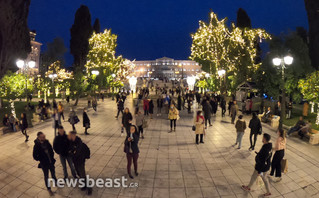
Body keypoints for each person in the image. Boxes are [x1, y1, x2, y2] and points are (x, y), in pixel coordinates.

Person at [68, 131, 92, 195]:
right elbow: (70, 150)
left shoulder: (79, 143)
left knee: (82, 174)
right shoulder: (71, 142)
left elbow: (86, 150)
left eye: (70, 135)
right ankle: (83, 185)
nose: (69, 136)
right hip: (75, 161)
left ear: (73, 135)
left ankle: (89, 188)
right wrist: (71, 153)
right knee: (78, 173)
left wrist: (85, 156)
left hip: (80, 161)